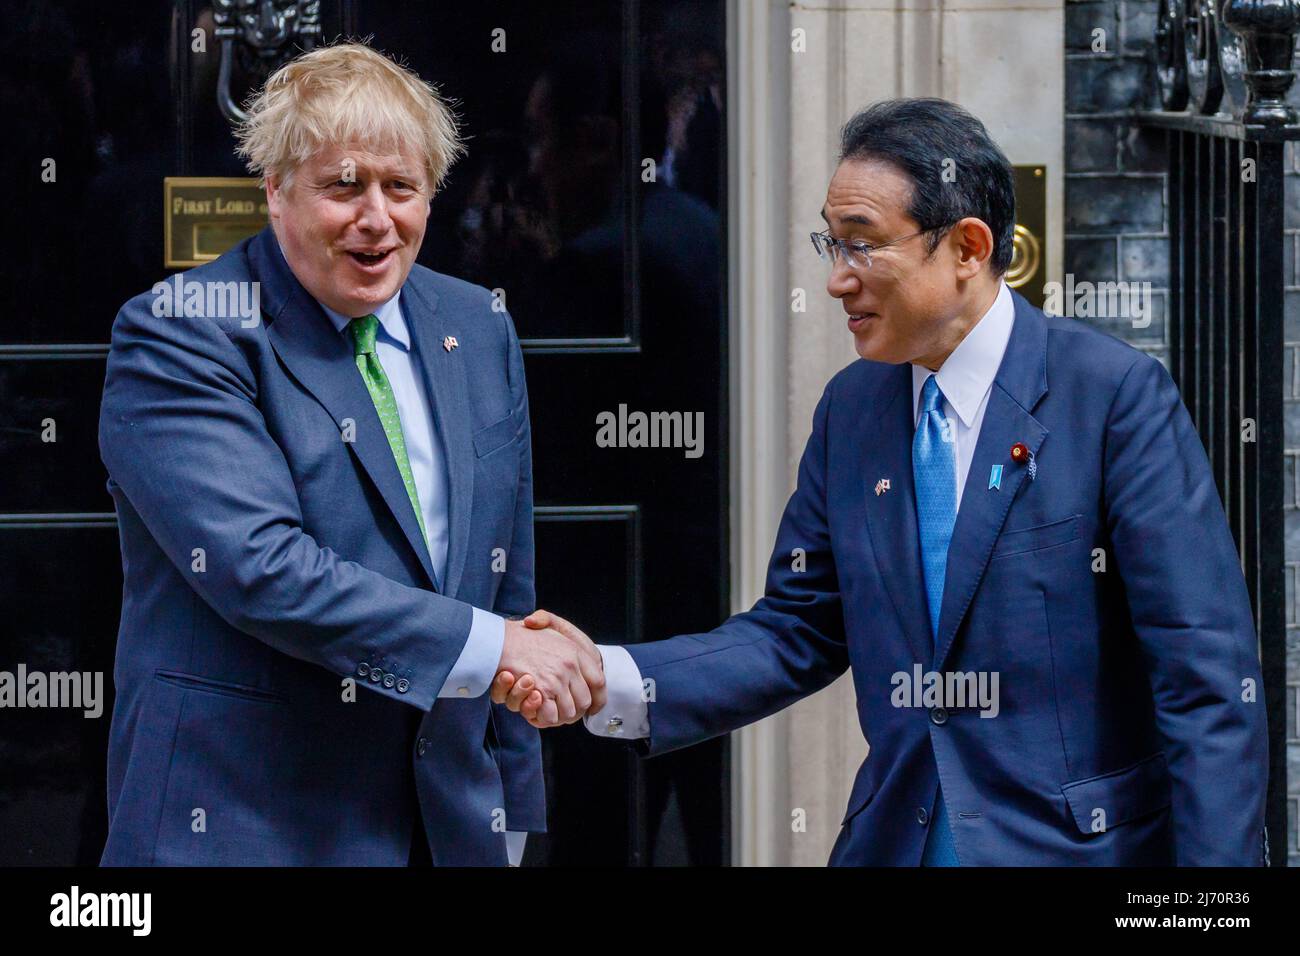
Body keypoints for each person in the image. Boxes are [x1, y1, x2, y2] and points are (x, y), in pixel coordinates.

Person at [496, 97, 1270, 866]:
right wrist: (616, 678)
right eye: (830, 246)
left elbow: (1204, 679)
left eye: (862, 246)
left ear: (967, 247)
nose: (838, 280)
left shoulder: (1111, 397)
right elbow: (795, 630)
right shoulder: (853, 410)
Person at [98, 41, 603, 867]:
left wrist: (512, 815)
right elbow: (262, 567)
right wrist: (496, 646)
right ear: (275, 190)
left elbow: (508, 580)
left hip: (442, 825)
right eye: (344, 185)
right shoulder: (184, 330)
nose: (377, 218)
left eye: (402, 187)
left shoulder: (477, 325)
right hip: (244, 822)